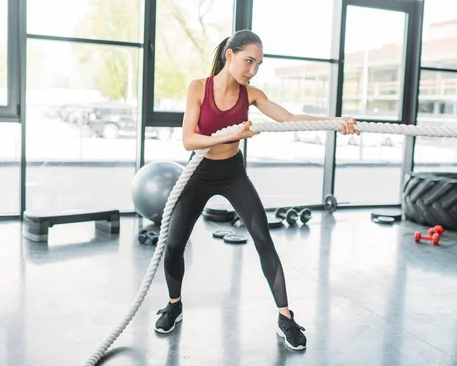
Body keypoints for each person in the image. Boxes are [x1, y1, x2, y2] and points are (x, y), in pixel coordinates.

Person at [154, 29, 359, 351]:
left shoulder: (251, 94)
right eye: (248, 61)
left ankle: (286, 317)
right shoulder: (198, 88)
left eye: (258, 64)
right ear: (230, 55)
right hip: (200, 172)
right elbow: (188, 140)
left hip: (233, 173)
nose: (252, 70)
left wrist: (336, 121)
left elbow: (290, 118)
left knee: (263, 238)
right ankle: (174, 305)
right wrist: (230, 134)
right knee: (174, 244)